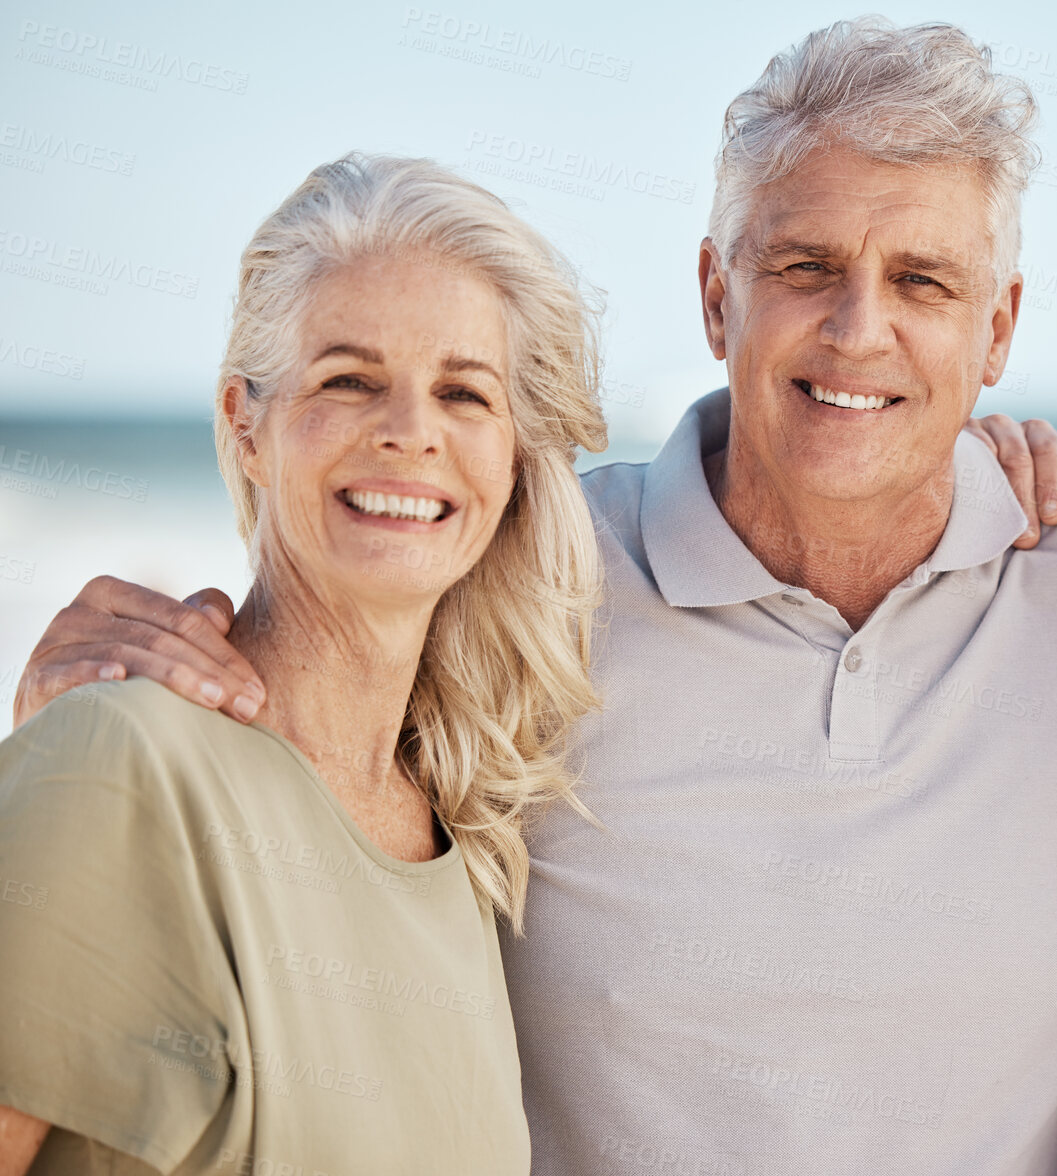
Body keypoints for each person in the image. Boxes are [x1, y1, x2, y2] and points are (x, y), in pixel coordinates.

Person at [13, 21, 1057, 1174]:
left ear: (1000, 329)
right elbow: (331, 621)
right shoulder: (526, 575)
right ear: (713, 288)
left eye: (921, 281)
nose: (856, 332)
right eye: (803, 266)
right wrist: (130, 651)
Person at [0, 154, 610, 1173]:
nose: (410, 433)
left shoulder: (468, 851)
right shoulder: (123, 763)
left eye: (463, 394)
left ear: (512, 457)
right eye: (349, 380)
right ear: (247, 423)